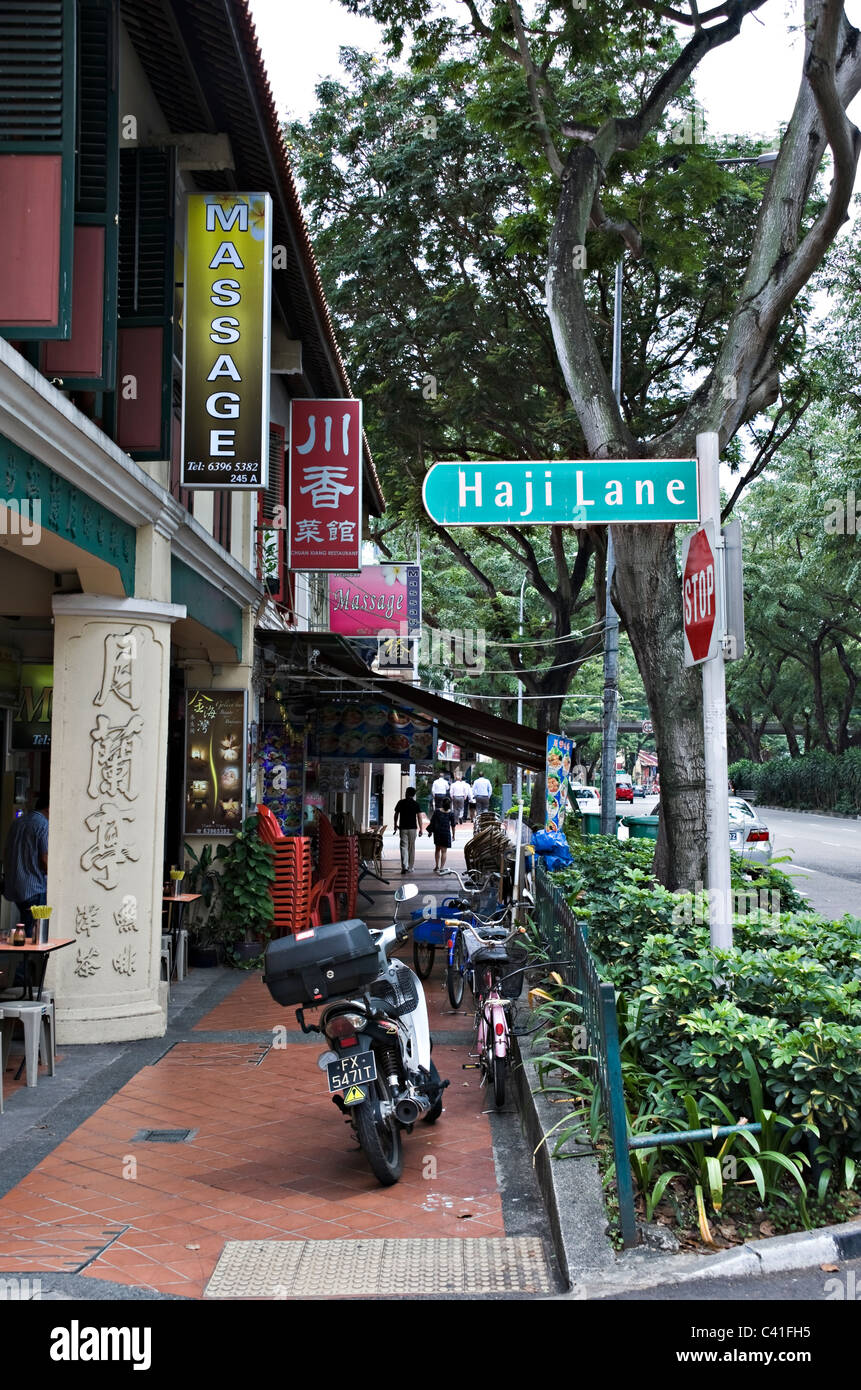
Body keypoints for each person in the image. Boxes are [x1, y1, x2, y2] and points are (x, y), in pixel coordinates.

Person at [3, 795, 49, 927]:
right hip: (34, 887)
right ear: (49, 809)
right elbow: (45, 857)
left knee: (24, 925)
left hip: (14, 886)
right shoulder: (43, 824)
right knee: (33, 932)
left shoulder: (18, 822)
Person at [393, 786, 425, 874]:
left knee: (403, 847)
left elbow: (396, 814)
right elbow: (419, 817)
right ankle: (410, 867)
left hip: (403, 828)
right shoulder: (416, 804)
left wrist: (395, 824)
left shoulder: (401, 802)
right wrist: (421, 829)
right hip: (412, 829)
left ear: (407, 793)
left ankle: (404, 866)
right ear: (414, 795)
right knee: (411, 848)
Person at [426, 795, 456, 873]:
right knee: (444, 851)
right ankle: (442, 867)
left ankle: (436, 866)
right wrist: (453, 835)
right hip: (446, 833)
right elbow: (453, 825)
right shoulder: (451, 813)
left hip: (438, 833)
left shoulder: (437, 811)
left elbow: (432, 822)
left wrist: (430, 831)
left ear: (442, 803)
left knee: (437, 850)